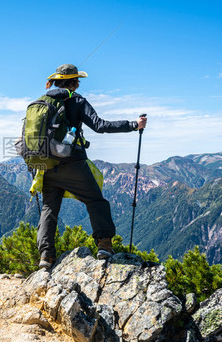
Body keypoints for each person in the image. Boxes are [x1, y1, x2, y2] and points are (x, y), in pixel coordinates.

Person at [37, 64, 147, 269]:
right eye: (77, 80)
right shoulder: (76, 100)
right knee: (96, 201)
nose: (79, 83)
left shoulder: (42, 102)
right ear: (71, 82)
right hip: (71, 162)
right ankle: (104, 245)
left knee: (49, 208)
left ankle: (46, 256)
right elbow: (99, 125)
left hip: (45, 165)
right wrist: (133, 125)